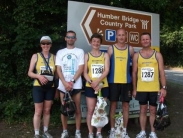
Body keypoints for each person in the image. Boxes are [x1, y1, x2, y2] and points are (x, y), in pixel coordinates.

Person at [132, 32, 167, 138]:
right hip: (141, 88)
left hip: (154, 88)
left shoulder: (157, 55)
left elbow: (162, 72)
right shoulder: (137, 55)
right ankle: (142, 132)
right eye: (143, 39)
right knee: (142, 110)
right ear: (140, 41)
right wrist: (134, 89)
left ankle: (152, 132)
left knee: (153, 110)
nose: (145, 41)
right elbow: (134, 73)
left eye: (147, 39)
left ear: (150, 40)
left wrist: (164, 87)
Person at [56, 30, 84, 138]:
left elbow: (81, 68)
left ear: (75, 39)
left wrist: (71, 82)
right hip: (63, 85)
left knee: (77, 107)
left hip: (75, 85)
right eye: (69, 37)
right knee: (64, 108)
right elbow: (58, 69)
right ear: (65, 38)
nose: (70, 39)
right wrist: (64, 82)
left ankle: (77, 131)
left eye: (72, 37)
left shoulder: (80, 51)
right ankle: (64, 131)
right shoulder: (60, 52)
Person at [108, 29, 134, 138]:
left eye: (123, 35)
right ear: (116, 37)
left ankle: (124, 130)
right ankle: (112, 130)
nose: (121, 37)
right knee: (113, 105)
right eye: (119, 35)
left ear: (126, 36)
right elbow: (106, 65)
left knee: (126, 106)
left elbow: (135, 66)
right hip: (113, 81)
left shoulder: (130, 49)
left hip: (126, 82)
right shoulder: (111, 48)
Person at [28, 36, 55, 138]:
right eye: (43, 44)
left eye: (48, 43)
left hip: (50, 87)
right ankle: (36, 133)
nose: (45, 45)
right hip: (38, 86)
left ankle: (45, 131)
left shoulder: (54, 57)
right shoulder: (36, 56)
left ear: (50, 45)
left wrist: (56, 88)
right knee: (38, 111)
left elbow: (56, 74)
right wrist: (38, 76)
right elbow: (30, 73)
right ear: (40, 45)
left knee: (47, 110)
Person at [83, 33, 110, 138]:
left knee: (100, 110)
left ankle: (98, 132)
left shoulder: (105, 55)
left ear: (100, 43)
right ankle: (90, 132)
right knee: (90, 110)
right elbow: (85, 72)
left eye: (98, 41)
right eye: (94, 41)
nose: (96, 43)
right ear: (90, 42)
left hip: (103, 86)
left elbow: (106, 70)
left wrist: (97, 82)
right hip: (90, 86)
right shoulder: (87, 55)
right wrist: (91, 83)